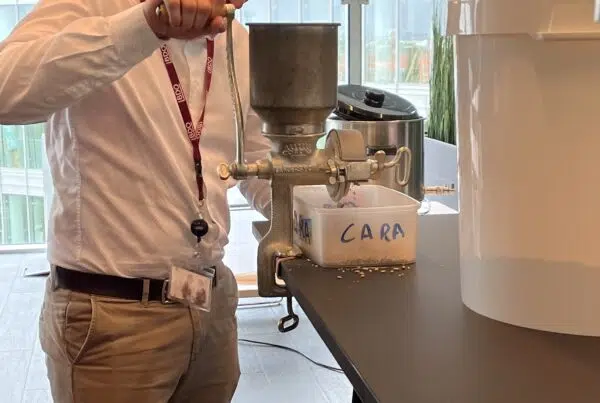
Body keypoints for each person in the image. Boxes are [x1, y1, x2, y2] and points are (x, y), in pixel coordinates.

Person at [0, 0, 272, 402]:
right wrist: (147, 26)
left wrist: (329, 217)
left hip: (211, 305)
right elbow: (6, 90)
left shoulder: (236, 41)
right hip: (112, 317)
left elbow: (256, 158)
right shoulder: (92, 6)